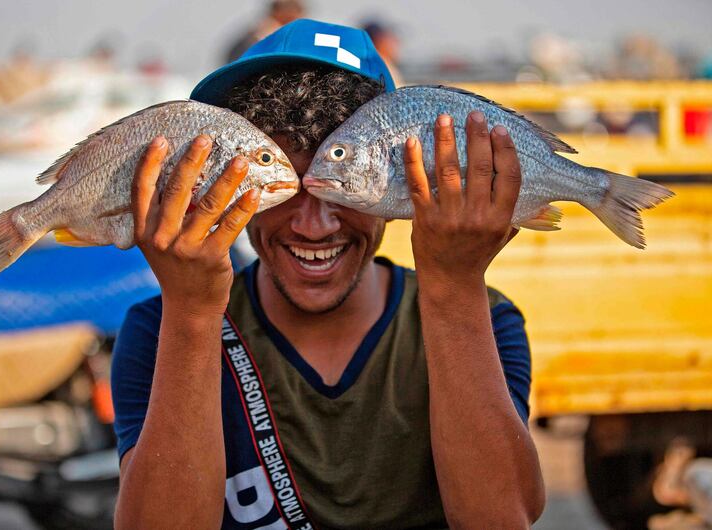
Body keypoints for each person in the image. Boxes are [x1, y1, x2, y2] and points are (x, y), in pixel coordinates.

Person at [112, 19, 545, 529]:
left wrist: (454, 289)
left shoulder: (485, 320)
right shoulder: (160, 331)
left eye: (343, 186)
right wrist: (189, 313)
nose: (312, 225)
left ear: (408, 183)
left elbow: (501, 518)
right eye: (281, 186)